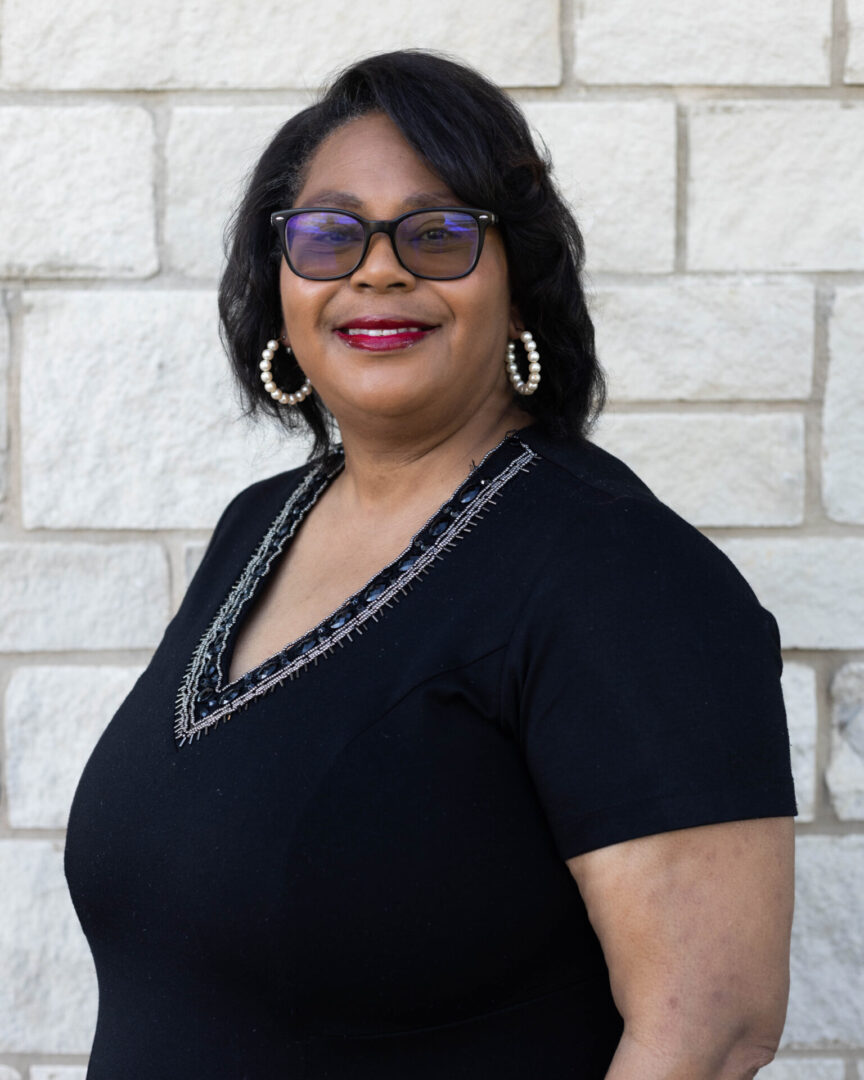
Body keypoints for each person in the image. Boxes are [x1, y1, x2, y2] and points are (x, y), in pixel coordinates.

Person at [64, 49, 797, 1080]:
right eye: (328, 234)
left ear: (520, 282)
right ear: (277, 285)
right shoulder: (258, 526)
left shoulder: (623, 579)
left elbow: (709, 1031)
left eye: (440, 232)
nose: (378, 268)